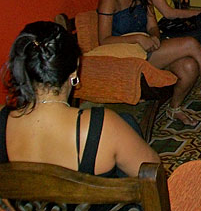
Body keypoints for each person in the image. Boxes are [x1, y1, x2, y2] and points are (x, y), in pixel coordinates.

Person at [1, 21, 160, 209]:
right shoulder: (103, 126)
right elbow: (155, 181)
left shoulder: (3, 121)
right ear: (75, 68)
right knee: (125, 124)